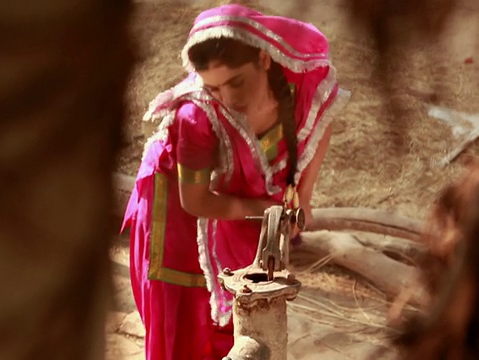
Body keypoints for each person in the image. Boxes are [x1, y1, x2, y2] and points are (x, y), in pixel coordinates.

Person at [121, 4, 349, 360]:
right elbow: (195, 201)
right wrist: (263, 209)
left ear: (264, 59)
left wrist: (303, 196)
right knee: (187, 317)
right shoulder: (195, 116)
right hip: (177, 212)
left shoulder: (296, 80)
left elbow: (322, 119)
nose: (227, 99)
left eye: (235, 81)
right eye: (214, 88)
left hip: (237, 202)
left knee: (243, 309)